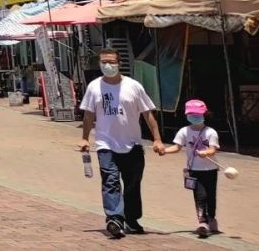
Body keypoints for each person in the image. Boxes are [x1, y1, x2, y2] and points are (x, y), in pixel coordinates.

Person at [78, 47, 167, 239]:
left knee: (133, 184)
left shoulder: (134, 86)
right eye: (103, 62)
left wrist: (157, 139)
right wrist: (85, 137)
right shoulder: (94, 87)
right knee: (110, 181)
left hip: (132, 144)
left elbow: (148, 114)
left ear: (119, 64)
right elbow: (88, 115)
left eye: (111, 62)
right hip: (105, 144)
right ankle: (114, 219)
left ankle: (132, 220)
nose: (107, 65)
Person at [163, 99, 222, 237]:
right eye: (192, 114)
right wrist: (164, 151)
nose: (195, 117)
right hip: (194, 170)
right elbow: (177, 147)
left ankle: (211, 218)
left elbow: (213, 149)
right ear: (187, 115)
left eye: (197, 114)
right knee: (200, 196)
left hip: (211, 169)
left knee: (211, 196)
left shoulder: (211, 132)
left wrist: (206, 152)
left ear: (204, 115)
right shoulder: (184, 131)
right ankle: (202, 222)